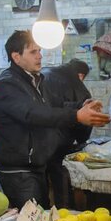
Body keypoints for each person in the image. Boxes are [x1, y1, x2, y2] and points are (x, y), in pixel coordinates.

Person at [0, 31, 111, 209]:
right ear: (16, 57)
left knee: (42, 218)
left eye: (39, 50)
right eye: (33, 52)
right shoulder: (7, 85)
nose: (40, 56)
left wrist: (81, 105)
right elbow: (33, 114)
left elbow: (54, 105)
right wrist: (76, 116)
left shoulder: (35, 81)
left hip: (37, 166)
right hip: (19, 172)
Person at [42, 59, 93, 208]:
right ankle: (64, 210)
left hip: (37, 141)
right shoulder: (78, 87)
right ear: (81, 75)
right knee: (60, 175)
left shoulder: (44, 73)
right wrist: (82, 139)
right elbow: (84, 122)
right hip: (59, 141)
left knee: (41, 176)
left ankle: (44, 210)